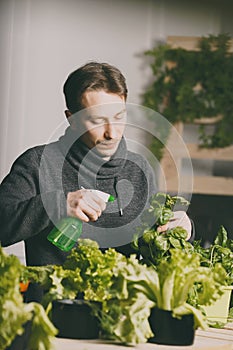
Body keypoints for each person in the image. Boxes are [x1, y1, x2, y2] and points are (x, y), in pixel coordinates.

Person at [0, 61, 192, 270]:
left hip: (123, 301)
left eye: (119, 117)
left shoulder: (140, 168)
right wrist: (57, 204)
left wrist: (182, 230)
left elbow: (154, 247)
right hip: (53, 301)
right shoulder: (36, 163)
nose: (112, 133)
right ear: (72, 119)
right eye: (98, 121)